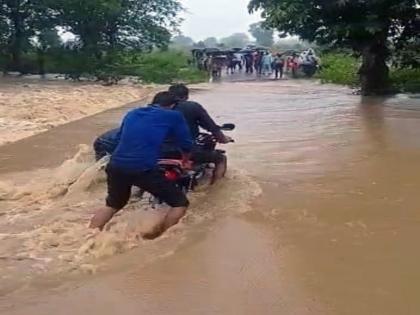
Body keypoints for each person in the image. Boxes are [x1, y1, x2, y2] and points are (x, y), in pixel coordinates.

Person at [89, 92, 193, 239]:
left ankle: (89, 237)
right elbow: (186, 143)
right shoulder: (173, 116)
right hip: (142, 168)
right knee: (180, 203)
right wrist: (185, 161)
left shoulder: (132, 113)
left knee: (113, 205)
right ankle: (162, 240)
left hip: (116, 165)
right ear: (173, 105)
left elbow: (119, 138)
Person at [167, 84, 232, 184]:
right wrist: (223, 139)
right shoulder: (192, 106)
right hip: (184, 152)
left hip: (157, 152)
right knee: (220, 159)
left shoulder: (158, 109)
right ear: (186, 96)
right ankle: (216, 190)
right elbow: (212, 127)